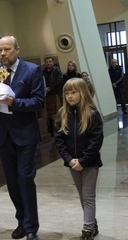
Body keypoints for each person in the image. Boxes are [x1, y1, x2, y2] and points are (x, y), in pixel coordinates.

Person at [0, 36, 45, 240]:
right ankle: (21, 220)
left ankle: (31, 228)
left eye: (7, 49)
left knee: (25, 179)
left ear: (17, 49)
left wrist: (13, 102)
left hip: (25, 134)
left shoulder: (32, 70)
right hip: (3, 135)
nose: (2, 53)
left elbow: (38, 101)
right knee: (12, 182)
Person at [54, 78, 103, 240]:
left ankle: (88, 229)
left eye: (74, 92)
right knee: (82, 195)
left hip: (89, 163)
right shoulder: (62, 114)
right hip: (72, 163)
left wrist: (83, 160)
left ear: (82, 93)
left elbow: (96, 141)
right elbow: (59, 140)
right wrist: (70, 160)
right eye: (67, 93)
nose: (70, 96)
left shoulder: (92, 114)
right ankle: (92, 223)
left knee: (88, 195)